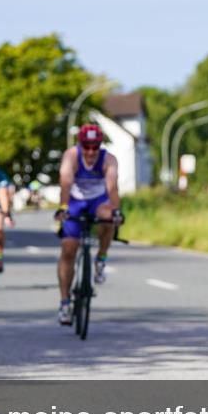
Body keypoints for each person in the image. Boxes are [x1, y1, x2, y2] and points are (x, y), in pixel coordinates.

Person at [54, 124, 121, 325]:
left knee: (108, 217)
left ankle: (101, 259)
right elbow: (65, 182)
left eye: (95, 146)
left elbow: (112, 187)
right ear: (80, 144)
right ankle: (65, 303)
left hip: (97, 200)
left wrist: (116, 210)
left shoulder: (108, 159)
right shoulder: (71, 156)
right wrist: (64, 207)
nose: (91, 151)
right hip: (74, 200)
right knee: (68, 249)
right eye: (87, 146)